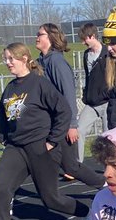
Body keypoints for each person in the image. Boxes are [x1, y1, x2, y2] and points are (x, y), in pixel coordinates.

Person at [0, 43, 90, 220]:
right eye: (5, 59)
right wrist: (2, 135)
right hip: (16, 147)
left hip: (41, 147)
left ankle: (89, 213)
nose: (8, 63)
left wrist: (52, 140)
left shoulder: (39, 84)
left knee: (51, 199)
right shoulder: (11, 87)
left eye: (11, 59)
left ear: (24, 59)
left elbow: (63, 111)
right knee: (1, 183)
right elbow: (1, 113)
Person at [36, 22, 103, 189]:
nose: (36, 38)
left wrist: (72, 125)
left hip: (61, 123)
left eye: (40, 35)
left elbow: (68, 94)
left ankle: (103, 184)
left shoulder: (57, 62)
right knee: (39, 160)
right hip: (47, 124)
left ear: (50, 38)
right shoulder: (40, 62)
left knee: (71, 166)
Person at [76, 22, 109, 162]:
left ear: (93, 36)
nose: (83, 42)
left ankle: (111, 166)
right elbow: (88, 76)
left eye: (85, 39)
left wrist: (109, 94)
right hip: (91, 103)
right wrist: (86, 94)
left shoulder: (108, 53)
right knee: (78, 130)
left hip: (107, 101)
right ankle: (77, 165)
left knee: (108, 137)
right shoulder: (86, 55)